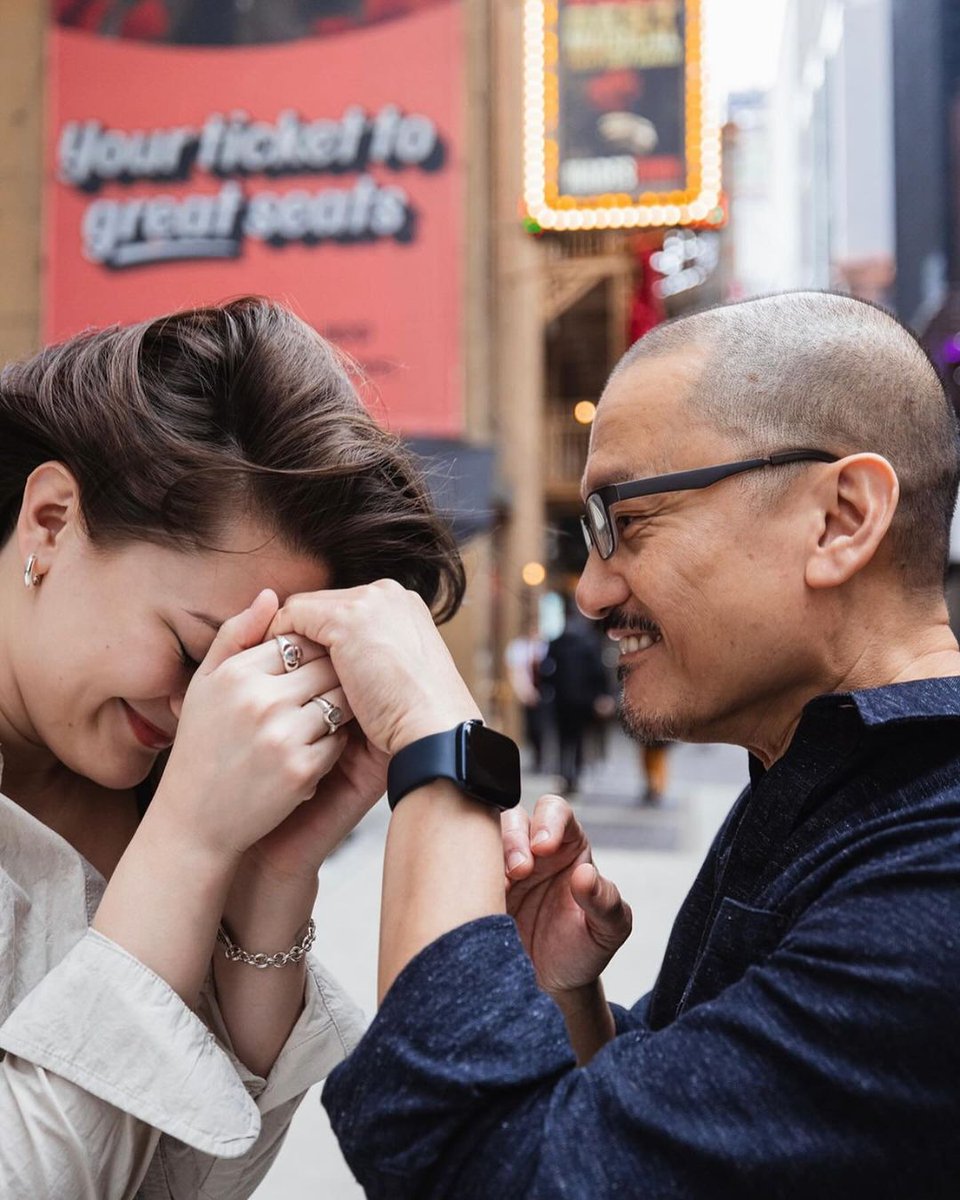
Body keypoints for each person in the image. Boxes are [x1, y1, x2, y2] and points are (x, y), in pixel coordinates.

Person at [274, 291, 960, 1197]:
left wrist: (438, 747)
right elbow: (689, 1139)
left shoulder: (935, 866)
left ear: (840, 518)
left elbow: (482, 1165)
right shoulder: (830, 780)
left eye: (625, 521)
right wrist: (569, 998)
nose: (593, 590)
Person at [0, 296, 464, 1197]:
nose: (200, 714)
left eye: (256, 673)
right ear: (53, 521)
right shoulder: (175, 816)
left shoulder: (156, 787)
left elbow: (186, 1182)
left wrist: (268, 886)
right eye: (189, 649)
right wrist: (186, 847)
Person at [539, 604, 610, 791]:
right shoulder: (589, 642)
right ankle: (575, 775)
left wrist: (548, 688)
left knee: (563, 739)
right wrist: (600, 694)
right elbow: (597, 671)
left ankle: (564, 774)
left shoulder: (557, 642)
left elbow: (546, 670)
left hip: (561, 700)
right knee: (578, 739)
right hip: (582, 701)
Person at [503, 615, 546, 772]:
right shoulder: (518, 648)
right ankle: (537, 757)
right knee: (533, 728)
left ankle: (543, 757)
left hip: (546, 694)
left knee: (543, 727)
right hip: (528, 694)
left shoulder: (544, 647)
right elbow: (515, 672)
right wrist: (525, 692)